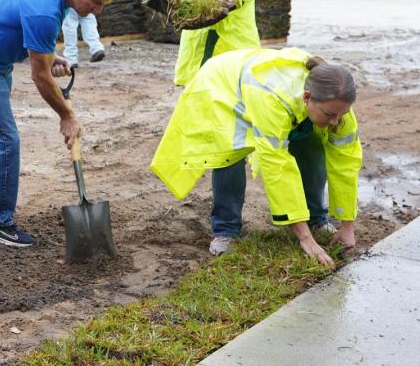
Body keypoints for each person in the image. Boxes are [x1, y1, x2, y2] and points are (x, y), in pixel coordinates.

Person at [0, 0, 123, 247]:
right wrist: (67, 115)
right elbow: (41, 77)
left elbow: (25, 31)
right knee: (5, 141)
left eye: (103, 5)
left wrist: (48, 55)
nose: (97, 11)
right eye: (96, 2)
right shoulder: (46, 10)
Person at [150, 48, 361, 263]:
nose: (336, 121)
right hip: (222, 87)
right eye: (330, 115)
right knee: (229, 152)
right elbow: (277, 166)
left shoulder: (336, 105)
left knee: (313, 145)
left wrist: (347, 226)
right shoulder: (274, 95)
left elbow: (346, 163)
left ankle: (316, 217)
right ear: (307, 97)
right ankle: (226, 229)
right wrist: (305, 239)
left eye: (341, 114)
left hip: (267, 95)